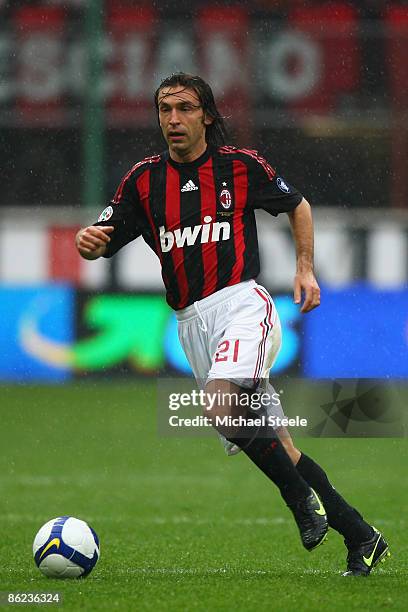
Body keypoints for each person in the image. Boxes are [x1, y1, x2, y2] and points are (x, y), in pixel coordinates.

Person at [75, 72, 389, 576]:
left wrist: (304, 267)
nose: (172, 119)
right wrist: (87, 241)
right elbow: (104, 234)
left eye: (183, 109)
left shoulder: (239, 167)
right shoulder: (143, 179)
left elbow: (298, 205)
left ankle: (298, 503)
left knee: (222, 406)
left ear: (207, 116)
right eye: (164, 109)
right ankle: (361, 535)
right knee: (277, 444)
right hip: (190, 324)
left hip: (243, 304)